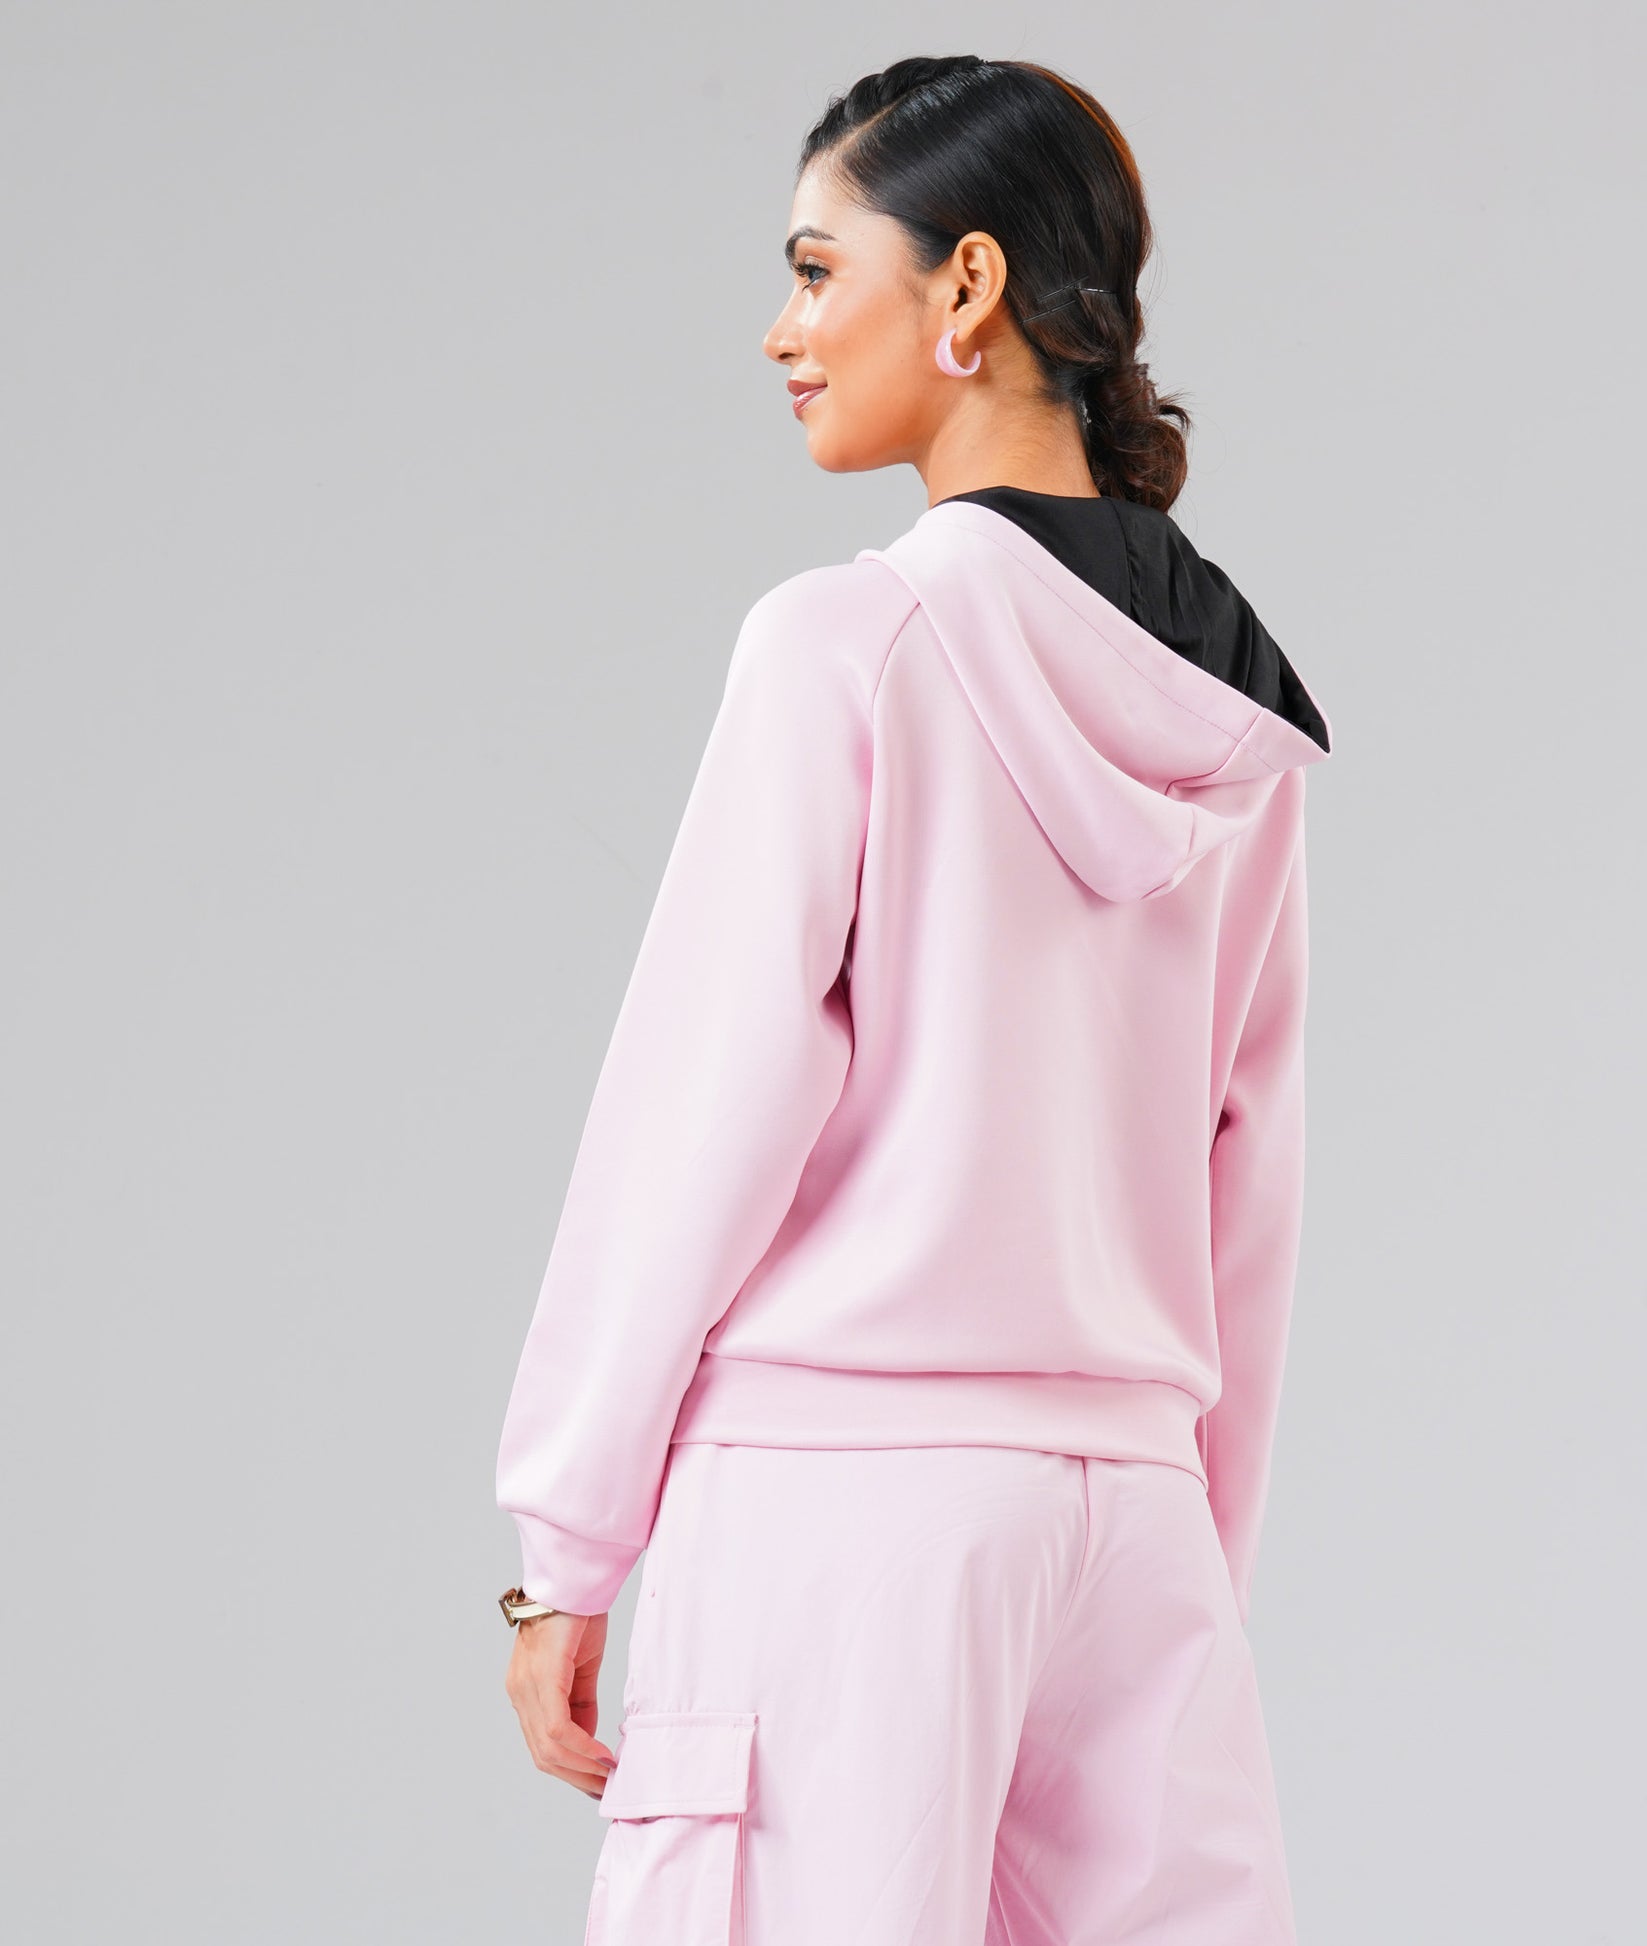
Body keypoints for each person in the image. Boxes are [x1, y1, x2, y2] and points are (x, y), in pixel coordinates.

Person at [494, 53, 1334, 1946]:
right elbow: (1248, 1184)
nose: (781, 330)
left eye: (816, 268)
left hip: (843, 1503)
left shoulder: (846, 644)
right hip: (1134, 1514)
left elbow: (698, 1109)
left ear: (965, 284)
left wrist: (568, 1540)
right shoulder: (1234, 720)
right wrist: (1188, 1546)